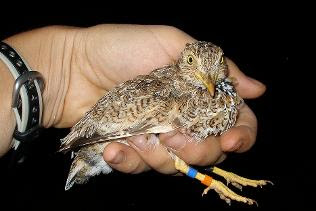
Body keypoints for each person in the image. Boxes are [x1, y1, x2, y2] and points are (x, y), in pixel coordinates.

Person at [0, 24, 266, 175]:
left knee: (181, 152)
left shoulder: (220, 93)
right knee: (174, 153)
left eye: (214, 66)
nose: (207, 79)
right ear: (183, 62)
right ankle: (211, 182)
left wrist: (70, 62)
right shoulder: (174, 96)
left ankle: (215, 176)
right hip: (100, 145)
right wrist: (70, 63)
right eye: (191, 63)